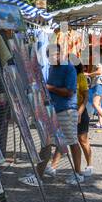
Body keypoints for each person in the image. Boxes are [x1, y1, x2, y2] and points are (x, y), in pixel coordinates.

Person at [23, 45, 83, 186]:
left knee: (72, 141)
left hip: (66, 110)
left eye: (55, 55)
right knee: (46, 142)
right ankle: (38, 176)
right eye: (50, 56)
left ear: (62, 53)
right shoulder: (52, 67)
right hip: (53, 110)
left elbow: (69, 92)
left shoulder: (68, 68)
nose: (52, 58)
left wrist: (49, 88)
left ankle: (78, 173)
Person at [88, 63, 102, 129]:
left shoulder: (97, 61)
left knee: (95, 104)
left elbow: (99, 71)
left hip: (99, 83)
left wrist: (88, 74)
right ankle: (100, 122)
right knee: (98, 104)